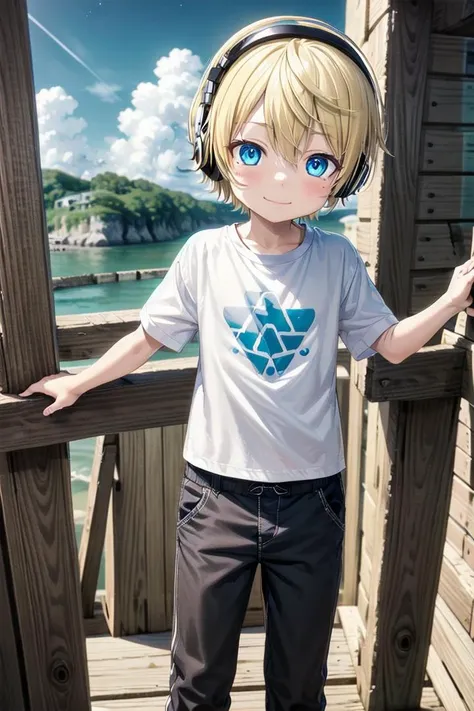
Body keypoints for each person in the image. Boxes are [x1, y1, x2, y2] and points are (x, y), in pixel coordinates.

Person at [21, 16, 474, 711]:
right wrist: (79, 381)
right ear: (219, 145)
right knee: (198, 682)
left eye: (316, 160)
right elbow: (149, 335)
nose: (287, 176)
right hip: (216, 498)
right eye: (258, 149)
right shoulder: (204, 254)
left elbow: (387, 344)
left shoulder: (337, 260)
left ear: (343, 169)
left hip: (312, 501)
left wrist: (450, 297)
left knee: (299, 686)